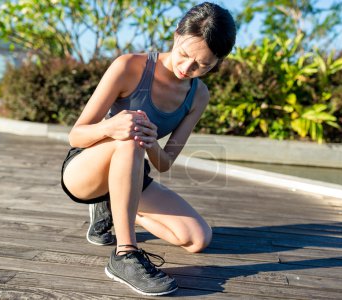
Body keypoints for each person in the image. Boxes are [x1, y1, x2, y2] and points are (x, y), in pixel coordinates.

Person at [60, 2, 236, 296]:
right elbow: (76, 136)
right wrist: (110, 127)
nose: (187, 68)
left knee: (198, 239)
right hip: (84, 170)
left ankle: (117, 207)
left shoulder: (198, 96)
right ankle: (125, 254)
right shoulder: (129, 66)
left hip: (132, 173)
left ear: (218, 61)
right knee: (131, 131)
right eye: (184, 55)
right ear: (176, 35)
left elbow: (165, 163)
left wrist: (153, 142)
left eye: (203, 65)